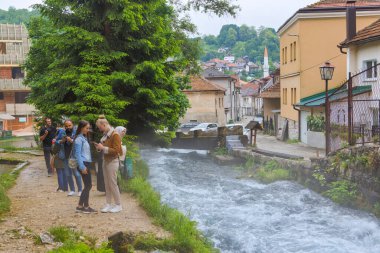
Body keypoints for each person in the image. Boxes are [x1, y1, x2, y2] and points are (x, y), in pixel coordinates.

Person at [94, 115, 123, 213]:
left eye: (100, 127)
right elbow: (104, 148)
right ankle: (108, 204)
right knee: (107, 184)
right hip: (105, 161)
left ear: (104, 124)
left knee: (113, 184)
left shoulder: (115, 135)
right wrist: (99, 147)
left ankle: (118, 205)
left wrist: (103, 148)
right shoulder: (106, 135)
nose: (99, 129)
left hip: (113, 161)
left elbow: (116, 151)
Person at [74, 120, 97, 214]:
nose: (88, 130)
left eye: (89, 128)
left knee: (87, 185)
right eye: (87, 128)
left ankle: (81, 206)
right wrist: (82, 167)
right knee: (88, 185)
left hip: (85, 163)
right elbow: (77, 155)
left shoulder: (84, 138)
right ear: (81, 127)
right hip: (83, 164)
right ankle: (84, 207)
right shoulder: (79, 139)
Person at [57, 120, 83, 197]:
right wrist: (62, 141)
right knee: (68, 174)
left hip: (73, 156)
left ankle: (80, 190)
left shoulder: (76, 132)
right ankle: (72, 190)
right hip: (65, 156)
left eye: (69, 125)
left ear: (72, 125)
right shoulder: (62, 132)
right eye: (66, 126)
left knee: (76, 173)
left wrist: (71, 140)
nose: (68, 127)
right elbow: (56, 141)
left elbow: (79, 143)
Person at [52, 128, 67, 192]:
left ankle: (61, 188)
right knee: (64, 173)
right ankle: (65, 188)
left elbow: (54, 151)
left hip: (58, 158)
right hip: (65, 158)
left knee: (59, 173)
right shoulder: (67, 140)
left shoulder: (57, 141)